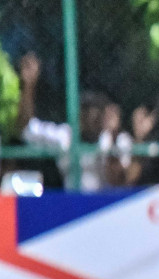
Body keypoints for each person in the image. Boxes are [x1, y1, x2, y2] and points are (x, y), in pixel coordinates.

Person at [14, 52, 132, 191]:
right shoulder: (65, 135)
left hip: (106, 206)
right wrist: (29, 85)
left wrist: (113, 135)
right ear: (78, 115)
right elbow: (26, 128)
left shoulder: (117, 139)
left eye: (96, 113)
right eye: (85, 112)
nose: (90, 118)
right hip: (72, 205)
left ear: (104, 116)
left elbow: (118, 181)